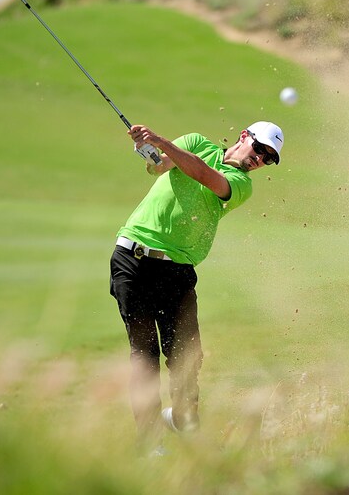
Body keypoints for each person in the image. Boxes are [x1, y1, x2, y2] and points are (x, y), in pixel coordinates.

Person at [109, 121, 284, 449]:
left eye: (268, 158)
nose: (260, 159)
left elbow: (205, 176)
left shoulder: (240, 184)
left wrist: (161, 140)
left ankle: (180, 420)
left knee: (187, 358)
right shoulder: (195, 142)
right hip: (131, 258)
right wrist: (146, 147)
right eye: (259, 148)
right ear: (244, 136)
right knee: (143, 355)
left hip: (177, 271)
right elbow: (159, 166)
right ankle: (149, 445)